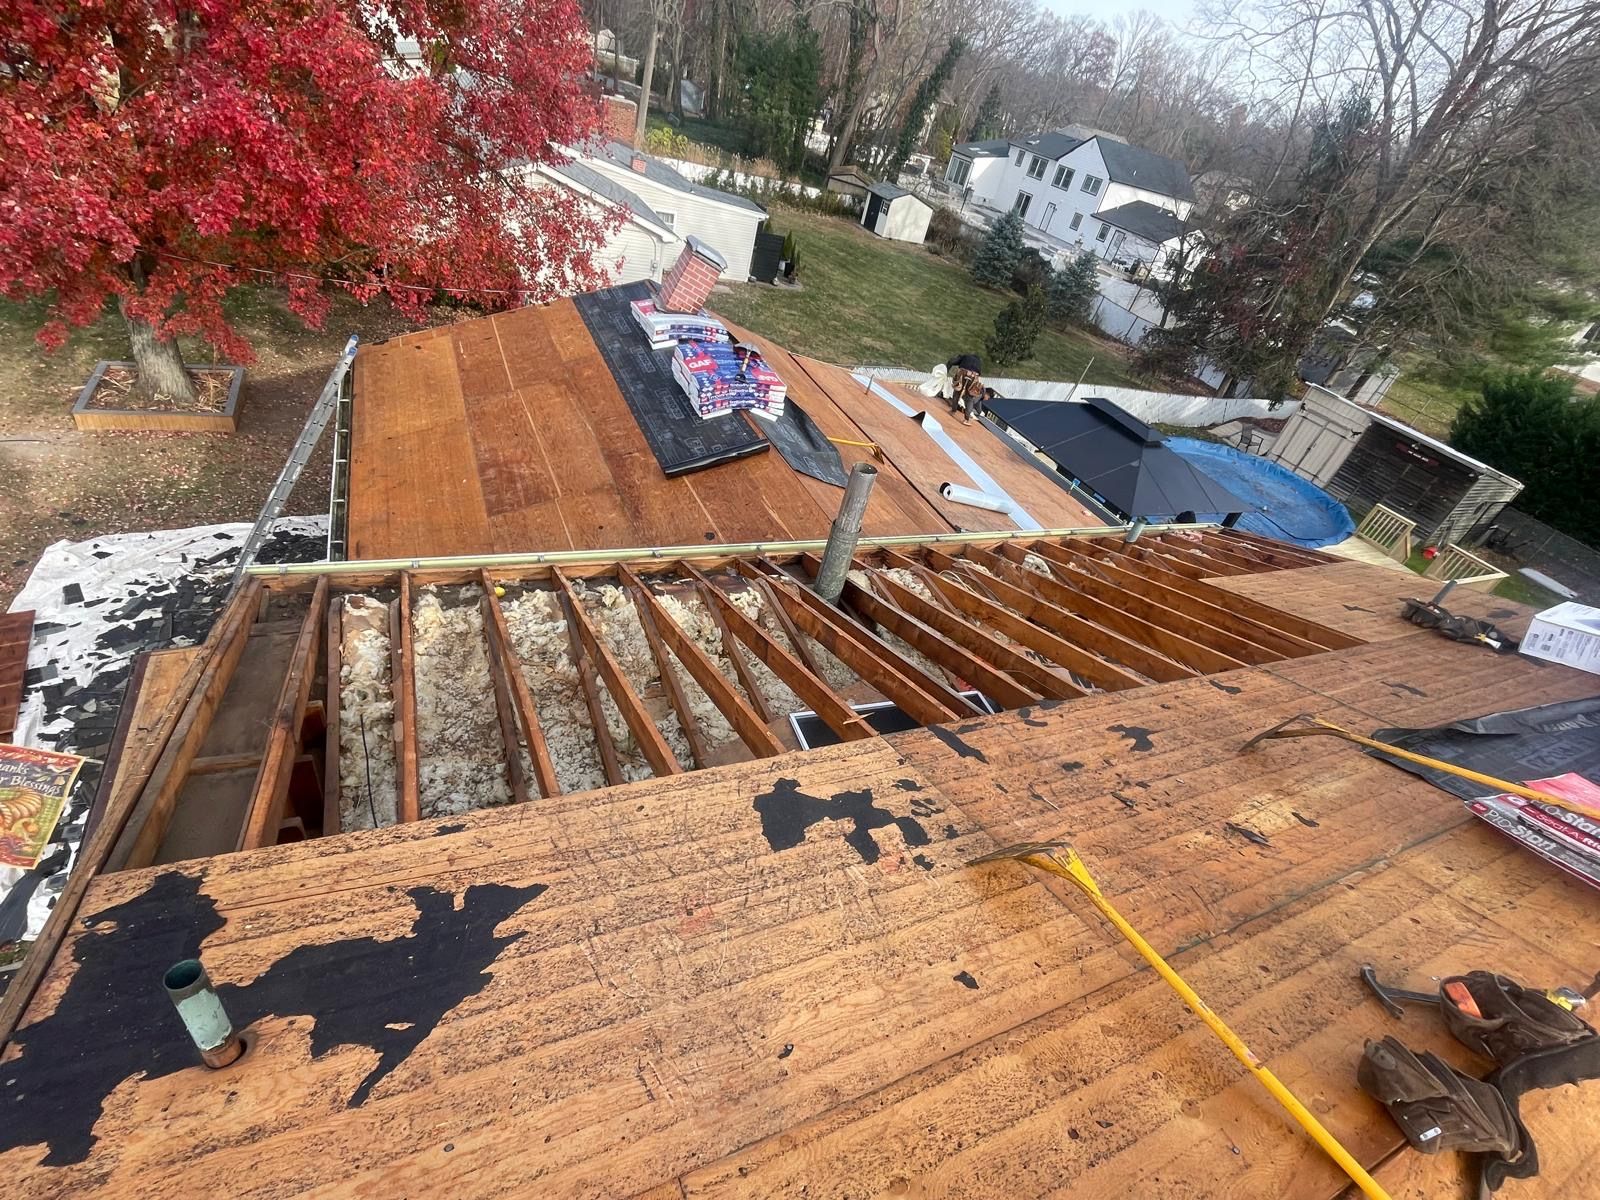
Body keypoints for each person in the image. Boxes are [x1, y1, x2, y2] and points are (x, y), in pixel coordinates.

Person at [944, 352, 983, 420]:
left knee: (957, 392)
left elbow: (951, 361)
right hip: (974, 376)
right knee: (969, 398)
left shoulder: (965, 356)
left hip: (963, 372)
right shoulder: (978, 362)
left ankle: (953, 411)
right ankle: (966, 419)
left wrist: (946, 371)